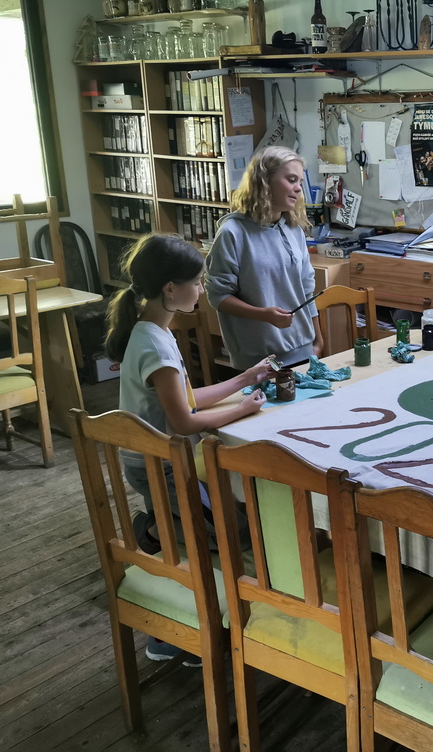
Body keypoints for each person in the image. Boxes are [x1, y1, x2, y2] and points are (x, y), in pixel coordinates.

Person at [105, 232, 274, 665]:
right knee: (234, 534)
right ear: (170, 289)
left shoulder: (153, 330)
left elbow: (187, 400)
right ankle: (156, 543)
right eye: (197, 283)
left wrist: (243, 381)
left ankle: (162, 530)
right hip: (158, 465)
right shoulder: (154, 343)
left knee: (225, 521)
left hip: (162, 459)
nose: (201, 291)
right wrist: (242, 410)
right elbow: (183, 421)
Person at [205, 146, 323, 370]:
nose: (298, 188)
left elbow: (306, 291)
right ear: (265, 181)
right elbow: (218, 296)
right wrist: (263, 315)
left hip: (302, 350)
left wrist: (318, 341)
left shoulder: (294, 229)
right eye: (291, 179)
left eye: (300, 181)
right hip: (256, 358)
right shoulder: (233, 232)